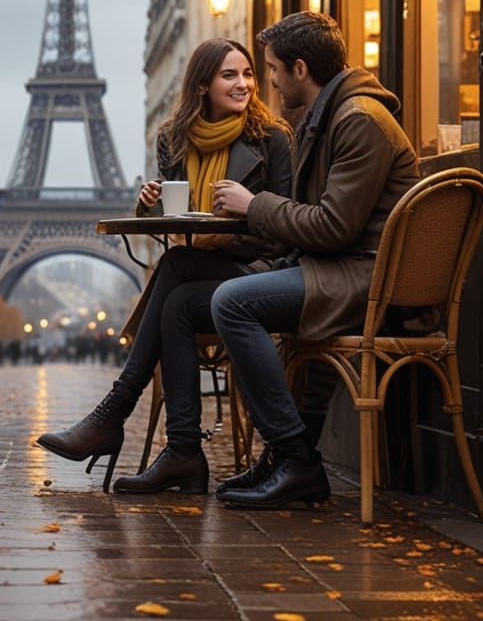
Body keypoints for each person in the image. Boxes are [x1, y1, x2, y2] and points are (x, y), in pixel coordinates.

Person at [35, 38, 293, 491]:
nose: (244, 84)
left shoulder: (272, 139)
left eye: (249, 74)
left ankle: (121, 417)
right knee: (176, 294)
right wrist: (149, 206)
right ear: (201, 86)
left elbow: (285, 226)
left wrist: (246, 210)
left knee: (175, 267)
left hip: (260, 269)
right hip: (200, 267)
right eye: (229, 75)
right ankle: (182, 452)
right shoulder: (173, 138)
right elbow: (176, 220)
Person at [204, 10, 420, 508]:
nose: (271, 82)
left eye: (274, 69)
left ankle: (296, 457)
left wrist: (253, 205)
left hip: (363, 278)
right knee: (203, 293)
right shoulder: (330, 116)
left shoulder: (359, 120)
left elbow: (332, 226)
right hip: (339, 269)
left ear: (300, 69)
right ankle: (285, 458)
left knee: (232, 303)